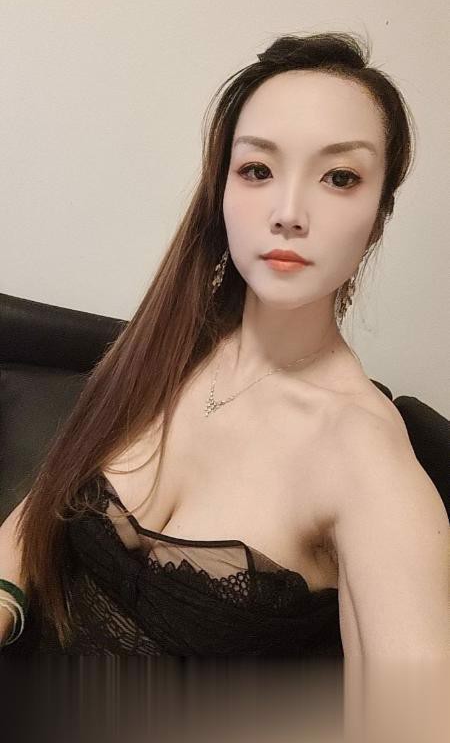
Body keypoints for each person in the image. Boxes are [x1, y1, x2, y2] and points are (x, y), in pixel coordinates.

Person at [1, 32, 447, 659]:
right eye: (258, 170)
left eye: (339, 177)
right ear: (222, 191)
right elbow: (39, 508)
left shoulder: (363, 457)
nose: (288, 212)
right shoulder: (169, 345)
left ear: (377, 217)